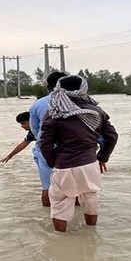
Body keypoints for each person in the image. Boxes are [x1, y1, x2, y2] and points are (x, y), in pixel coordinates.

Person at [40, 75, 118, 232]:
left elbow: (44, 143)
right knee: (90, 199)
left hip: (64, 165)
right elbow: (112, 136)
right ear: (84, 89)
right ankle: (91, 233)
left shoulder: (54, 113)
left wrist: (52, 161)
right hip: (90, 163)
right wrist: (102, 158)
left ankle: (61, 243)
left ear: (58, 88)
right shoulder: (97, 111)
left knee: (60, 204)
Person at [28, 71, 69, 206]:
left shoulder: (38, 104)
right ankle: (80, 222)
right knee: (77, 189)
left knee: (47, 187)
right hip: (73, 151)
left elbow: (34, 130)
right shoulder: (80, 102)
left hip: (46, 149)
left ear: (48, 86)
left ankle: (47, 220)